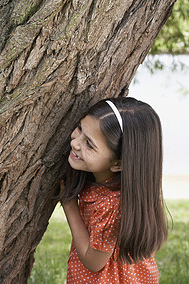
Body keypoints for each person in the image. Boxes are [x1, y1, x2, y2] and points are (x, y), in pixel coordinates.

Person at [60, 97, 168, 283]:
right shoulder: (105, 182)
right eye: (79, 128)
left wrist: (69, 205)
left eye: (89, 144)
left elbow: (93, 262)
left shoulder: (113, 204)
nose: (75, 143)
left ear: (118, 163)